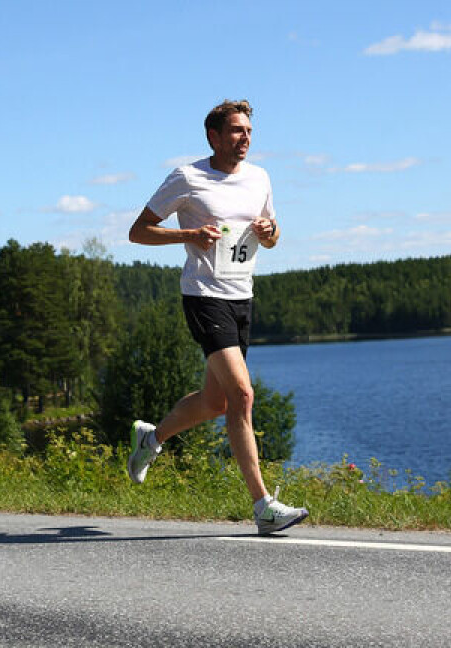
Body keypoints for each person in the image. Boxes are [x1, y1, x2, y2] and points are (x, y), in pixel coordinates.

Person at [126, 99, 309, 535]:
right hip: (204, 296)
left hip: (241, 296)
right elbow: (138, 231)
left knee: (217, 402)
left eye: (248, 131)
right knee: (243, 396)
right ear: (213, 136)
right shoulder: (187, 178)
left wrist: (270, 232)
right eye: (235, 131)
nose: (244, 138)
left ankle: (149, 441)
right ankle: (263, 506)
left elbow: (273, 235)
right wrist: (188, 234)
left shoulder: (260, 178)